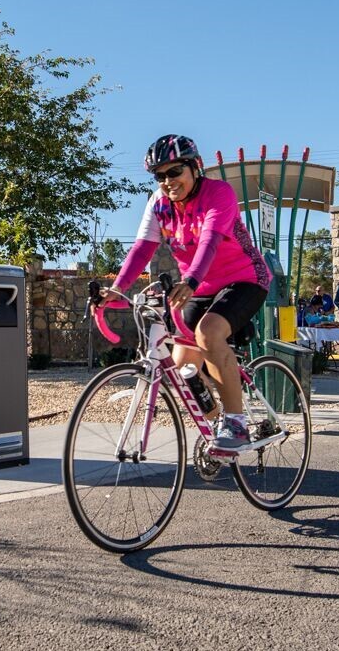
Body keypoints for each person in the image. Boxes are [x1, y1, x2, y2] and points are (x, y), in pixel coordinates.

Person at [98, 134, 271, 453]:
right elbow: (142, 249)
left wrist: (189, 280)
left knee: (209, 334)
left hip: (244, 278)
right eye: (160, 176)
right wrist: (117, 289)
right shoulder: (159, 204)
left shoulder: (219, 193)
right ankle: (217, 426)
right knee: (183, 365)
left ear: (194, 168)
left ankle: (236, 422)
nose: (168, 181)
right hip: (199, 287)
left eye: (174, 171)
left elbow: (209, 242)